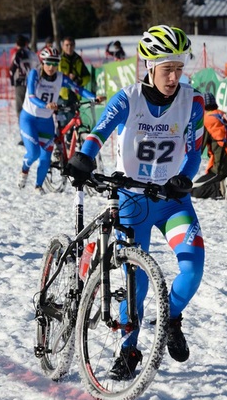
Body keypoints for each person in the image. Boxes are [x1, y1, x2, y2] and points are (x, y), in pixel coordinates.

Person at [65, 24, 205, 379]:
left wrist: (184, 179)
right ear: (149, 66)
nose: (174, 77)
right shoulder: (129, 98)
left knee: (192, 269)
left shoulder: (193, 102)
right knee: (136, 283)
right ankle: (128, 350)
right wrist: (84, 157)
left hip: (172, 200)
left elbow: (195, 151)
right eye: (166, 69)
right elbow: (99, 133)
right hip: (132, 198)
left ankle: (171, 317)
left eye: (178, 68)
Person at [17, 47, 95, 194]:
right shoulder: (35, 74)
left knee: (46, 157)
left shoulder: (60, 77)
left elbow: (77, 89)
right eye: (48, 63)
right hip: (29, 118)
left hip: (46, 121)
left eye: (55, 63)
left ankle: (38, 186)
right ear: (42, 62)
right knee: (33, 153)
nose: (51, 67)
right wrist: (45, 105)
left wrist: (93, 97)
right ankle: (24, 170)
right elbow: (32, 96)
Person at [191, 92, 227, 201]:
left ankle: (221, 187)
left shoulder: (206, 120)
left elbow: (197, 150)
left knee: (193, 189)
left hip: (222, 169)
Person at [9, 35, 39, 129]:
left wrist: (12, 81)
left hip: (20, 84)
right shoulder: (32, 54)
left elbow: (12, 69)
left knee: (20, 109)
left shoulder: (17, 54)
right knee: (32, 108)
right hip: (32, 84)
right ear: (26, 43)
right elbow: (38, 67)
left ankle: (24, 131)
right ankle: (34, 130)